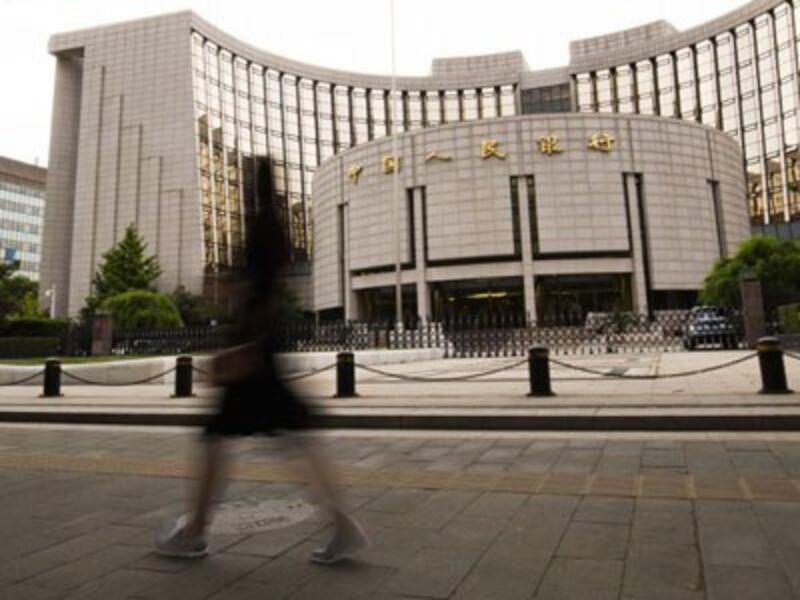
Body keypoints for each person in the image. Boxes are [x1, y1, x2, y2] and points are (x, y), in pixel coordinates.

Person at [155, 171, 368, 564]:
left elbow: (259, 295)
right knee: (292, 441)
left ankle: (195, 532)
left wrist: (240, 343)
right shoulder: (275, 227)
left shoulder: (260, 230)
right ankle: (342, 527)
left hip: (254, 359)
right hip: (263, 356)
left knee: (218, 439)